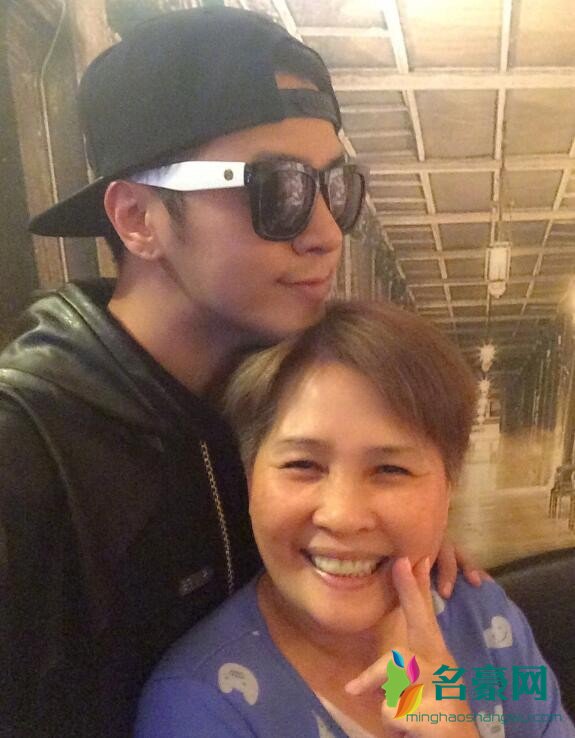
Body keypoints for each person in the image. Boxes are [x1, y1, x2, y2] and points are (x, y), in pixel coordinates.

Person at [0, 7, 479, 737]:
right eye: (276, 190)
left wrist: (392, 541)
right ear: (138, 218)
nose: (325, 233)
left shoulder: (280, 397)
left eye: (335, 188)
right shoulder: (26, 458)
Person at [136, 300, 574, 738]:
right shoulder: (199, 705)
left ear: (448, 489)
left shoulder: (486, 621)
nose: (343, 516)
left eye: (391, 469)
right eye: (302, 464)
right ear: (250, 478)